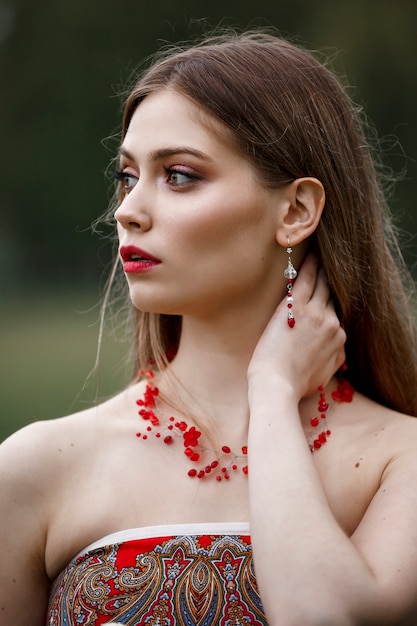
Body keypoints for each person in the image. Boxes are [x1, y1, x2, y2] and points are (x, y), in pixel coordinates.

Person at [1, 29, 417, 626]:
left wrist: (272, 389)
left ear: (297, 210)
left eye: (178, 175)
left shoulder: (400, 463)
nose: (126, 210)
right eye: (127, 175)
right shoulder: (37, 468)